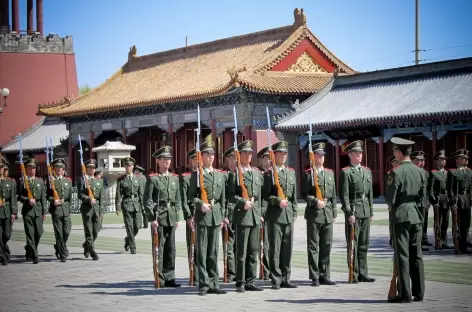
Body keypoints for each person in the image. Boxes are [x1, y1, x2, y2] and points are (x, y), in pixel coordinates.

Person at [386, 137, 426, 303]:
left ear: (398, 152)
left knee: (403, 255)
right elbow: (423, 199)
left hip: (401, 215)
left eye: (395, 150)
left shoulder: (396, 172)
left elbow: (390, 199)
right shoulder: (421, 172)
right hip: (416, 215)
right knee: (416, 255)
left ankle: (405, 294)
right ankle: (419, 292)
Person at [187, 141, 228, 296]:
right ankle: (204, 284)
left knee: (214, 251)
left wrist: (223, 215)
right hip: (203, 216)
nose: (210, 157)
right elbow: (191, 196)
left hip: (216, 215)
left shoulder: (219, 175)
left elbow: (223, 198)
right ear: (201, 156)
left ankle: (214, 282)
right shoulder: (197, 175)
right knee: (202, 251)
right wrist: (200, 205)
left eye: (212, 154)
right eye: (207, 154)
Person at [228, 140, 264, 292]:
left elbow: (260, 196)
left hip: (255, 215)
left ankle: (251, 280)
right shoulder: (235, 174)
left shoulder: (256, 172)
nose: (248, 155)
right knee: (241, 251)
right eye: (245, 153)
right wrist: (243, 202)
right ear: (239, 155)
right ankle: (240, 281)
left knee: (253, 250)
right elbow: (231, 196)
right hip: (242, 216)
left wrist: (260, 213)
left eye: (250, 153)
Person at [263, 141, 298, 289]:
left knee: (287, 248)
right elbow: (265, 196)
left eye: (285, 153)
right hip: (275, 215)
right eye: (280, 153)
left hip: (288, 214)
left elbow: (294, 196)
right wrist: (277, 201)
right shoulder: (269, 174)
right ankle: (276, 278)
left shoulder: (291, 172)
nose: (283, 156)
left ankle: (286, 277)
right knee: (275, 248)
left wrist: (294, 211)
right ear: (274, 155)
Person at [144, 146, 181, 287]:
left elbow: (177, 200)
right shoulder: (153, 179)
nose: (167, 161)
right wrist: (152, 218)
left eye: (169, 158)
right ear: (158, 161)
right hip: (159, 218)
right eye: (164, 158)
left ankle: (170, 276)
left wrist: (177, 217)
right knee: (159, 248)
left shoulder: (174, 179)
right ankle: (159, 278)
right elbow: (147, 201)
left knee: (171, 249)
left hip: (171, 216)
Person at [339, 140, 375, 283]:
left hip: (365, 210)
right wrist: (349, 213)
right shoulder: (346, 172)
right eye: (357, 153)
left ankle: (363, 273)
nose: (360, 155)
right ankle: (353, 274)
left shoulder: (367, 171)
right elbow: (344, 196)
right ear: (350, 154)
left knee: (364, 244)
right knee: (353, 243)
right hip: (354, 211)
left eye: (361, 153)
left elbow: (370, 193)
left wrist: (371, 211)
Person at [302, 142, 337, 286]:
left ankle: (325, 274)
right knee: (313, 246)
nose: (321, 158)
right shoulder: (309, 174)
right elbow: (304, 194)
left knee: (326, 245)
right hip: (314, 214)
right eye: (318, 155)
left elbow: (333, 195)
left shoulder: (329, 173)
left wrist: (334, 212)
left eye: (323, 155)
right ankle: (315, 276)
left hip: (327, 213)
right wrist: (315, 201)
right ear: (313, 156)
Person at [18, 158, 47, 264]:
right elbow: (19, 196)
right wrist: (27, 200)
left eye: (34, 168)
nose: (32, 170)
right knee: (30, 234)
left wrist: (44, 212)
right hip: (28, 211)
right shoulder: (23, 181)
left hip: (38, 210)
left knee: (39, 233)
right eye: (30, 168)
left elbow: (43, 198)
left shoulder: (40, 181)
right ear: (26, 169)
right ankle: (35, 255)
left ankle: (29, 248)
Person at [116, 157, 143, 254]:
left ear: (133, 166)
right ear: (124, 166)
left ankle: (128, 239)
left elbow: (140, 193)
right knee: (129, 227)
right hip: (126, 203)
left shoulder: (137, 178)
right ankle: (133, 247)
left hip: (136, 204)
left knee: (137, 226)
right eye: (126, 165)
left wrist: (143, 206)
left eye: (130, 165)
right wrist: (118, 207)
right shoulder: (121, 179)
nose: (128, 167)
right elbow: (118, 194)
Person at [47, 158, 73, 262]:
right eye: (57, 167)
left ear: (63, 169)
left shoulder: (68, 181)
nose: (59, 170)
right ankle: (62, 253)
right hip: (56, 209)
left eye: (61, 168)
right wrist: (53, 201)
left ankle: (59, 246)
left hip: (65, 209)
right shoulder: (51, 181)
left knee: (66, 230)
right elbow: (47, 195)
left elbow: (70, 197)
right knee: (59, 232)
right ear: (54, 169)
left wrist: (70, 210)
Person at [446, 149, 471, 254]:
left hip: (466, 199)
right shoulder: (453, 172)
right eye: (463, 158)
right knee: (458, 224)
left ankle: (464, 243)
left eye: (466, 158)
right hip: (458, 199)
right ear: (456, 159)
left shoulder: (469, 171)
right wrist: (452, 202)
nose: (465, 160)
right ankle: (459, 246)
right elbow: (450, 188)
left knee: (466, 224)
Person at [78, 159, 104, 261]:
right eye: (90, 168)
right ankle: (92, 252)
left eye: (94, 168)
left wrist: (101, 211)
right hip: (87, 209)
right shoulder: (82, 180)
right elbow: (80, 194)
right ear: (86, 169)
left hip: (96, 209)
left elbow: (101, 197)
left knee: (96, 231)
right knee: (88, 232)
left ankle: (86, 245)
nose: (93, 169)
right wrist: (88, 199)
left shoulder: (99, 181)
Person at [181, 148, 199, 284]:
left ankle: (203, 273)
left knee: (203, 246)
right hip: (193, 214)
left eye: (198, 158)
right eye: (194, 159)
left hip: (204, 214)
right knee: (192, 245)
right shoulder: (186, 178)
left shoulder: (204, 176)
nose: (197, 161)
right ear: (190, 160)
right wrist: (188, 216)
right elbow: (184, 199)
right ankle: (193, 273)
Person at [428, 150, 450, 250]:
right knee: (438, 221)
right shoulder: (433, 173)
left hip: (446, 199)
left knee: (445, 221)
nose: (443, 161)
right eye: (441, 159)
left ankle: (443, 240)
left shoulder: (447, 173)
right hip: (438, 200)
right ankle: (438, 241)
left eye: (444, 159)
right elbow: (431, 189)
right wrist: (434, 201)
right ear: (436, 161)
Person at [411, 151, 432, 251]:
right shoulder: (410, 172)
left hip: (423, 202)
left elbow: (427, 188)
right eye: (419, 160)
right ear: (412, 160)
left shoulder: (425, 172)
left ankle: (422, 240)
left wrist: (427, 201)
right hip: (414, 202)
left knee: (423, 222)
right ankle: (416, 243)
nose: (421, 162)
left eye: (423, 160)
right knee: (416, 224)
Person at [221, 146, 236, 283]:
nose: (233, 162)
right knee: (229, 246)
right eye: (230, 159)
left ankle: (240, 271)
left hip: (243, 215)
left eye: (235, 159)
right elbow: (222, 198)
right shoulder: (224, 176)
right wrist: (224, 216)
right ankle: (231, 272)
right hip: (229, 215)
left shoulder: (243, 174)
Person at [256, 146, 270, 279]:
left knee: (273, 244)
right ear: (262, 159)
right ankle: (264, 271)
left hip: (274, 213)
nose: (269, 160)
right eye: (266, 157)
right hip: (262, 213)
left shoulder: (274, 173)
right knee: (263, 244)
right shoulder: (258, 174)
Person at [0, 159, 17, 265]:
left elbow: (13, 198)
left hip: (7, 212)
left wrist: (14, 212)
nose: (0, 169)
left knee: (6, 234)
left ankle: (4, 249)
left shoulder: (10, 182)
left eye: (1, 168)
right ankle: (2, 257)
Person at [387, 155, 400, 247]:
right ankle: (392, 239)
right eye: (394, 162)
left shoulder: (402, 172)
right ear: (392, 163)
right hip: (393, 202)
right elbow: (388, 190)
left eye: (397, 161)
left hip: (401, 201)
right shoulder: (389, 174)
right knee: (392, 221)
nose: (396, 163)